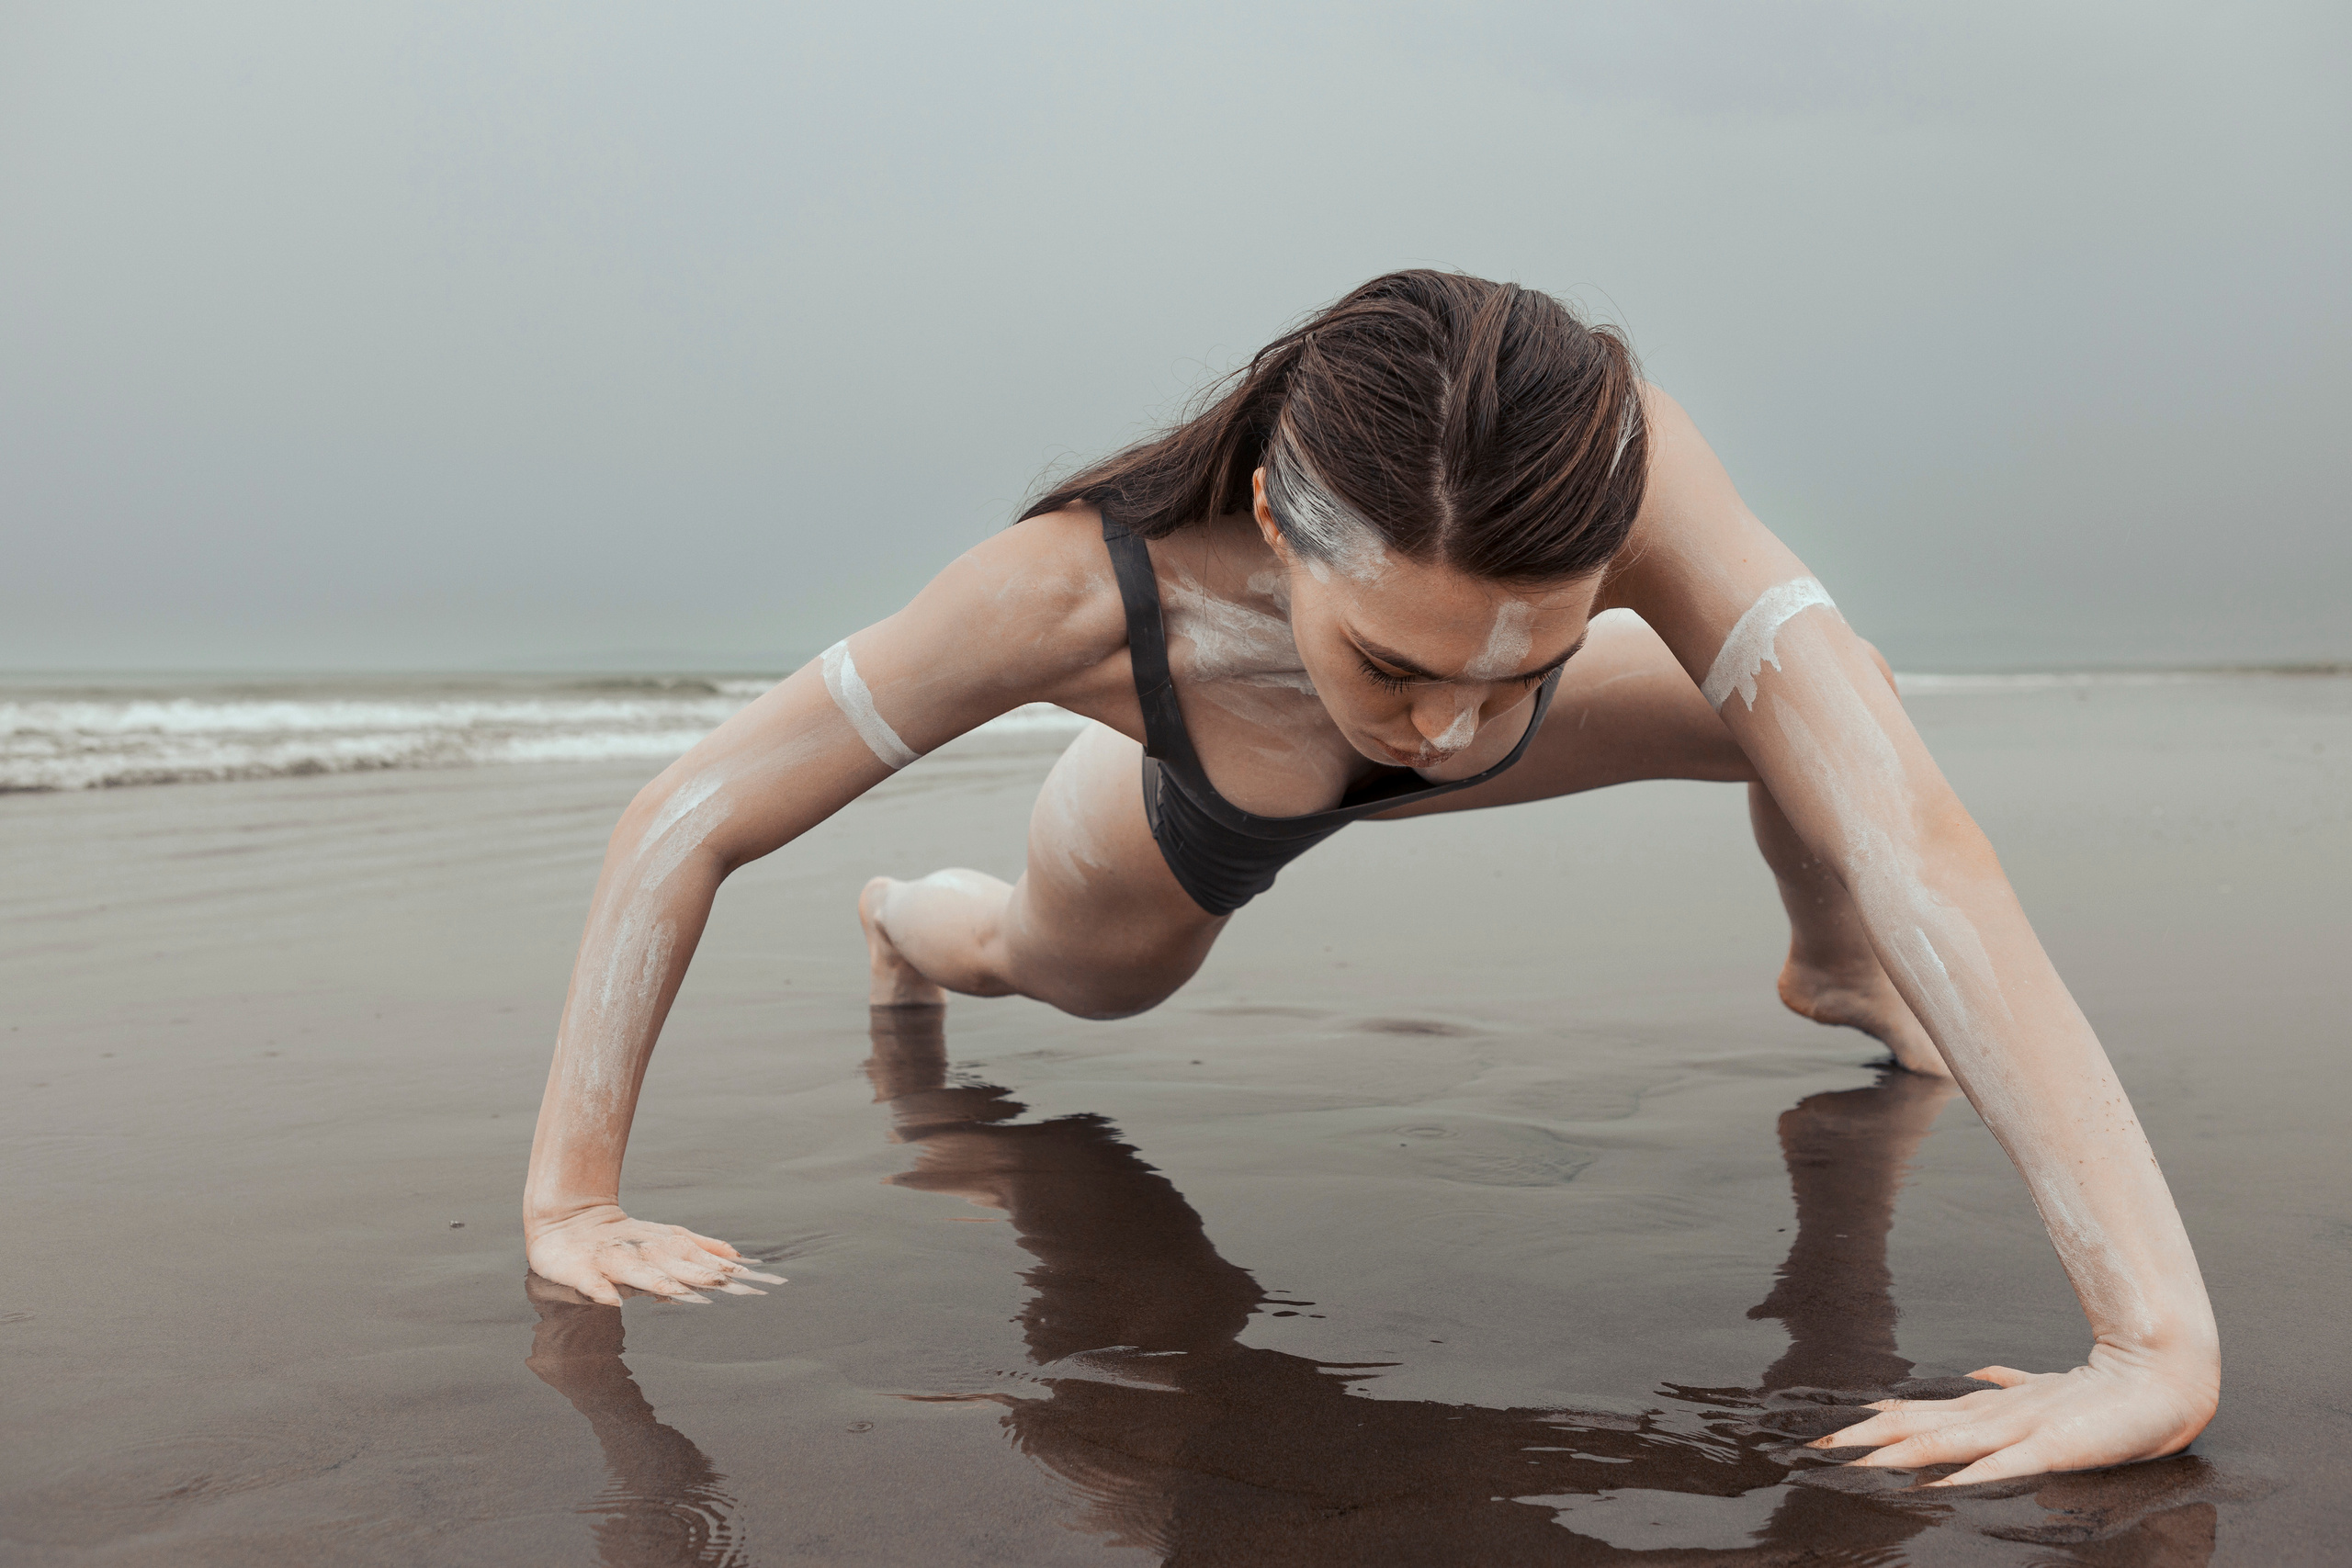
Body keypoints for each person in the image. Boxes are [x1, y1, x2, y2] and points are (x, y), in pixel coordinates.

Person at [523, 270, 2218, 1485]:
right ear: (1276, 518)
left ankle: (1830, 971)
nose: (1454, 721)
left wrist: (2151, 1345)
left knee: (1834, 714)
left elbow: (1907, 823)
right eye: (1397, 663)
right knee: (1063, 969)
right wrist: (572, 1199)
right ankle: (909, 924)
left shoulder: (1627, 476)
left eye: (1516, 659)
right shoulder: (1066, 597)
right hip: (1188, 806)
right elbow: (688, 818)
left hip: (1395, 749)